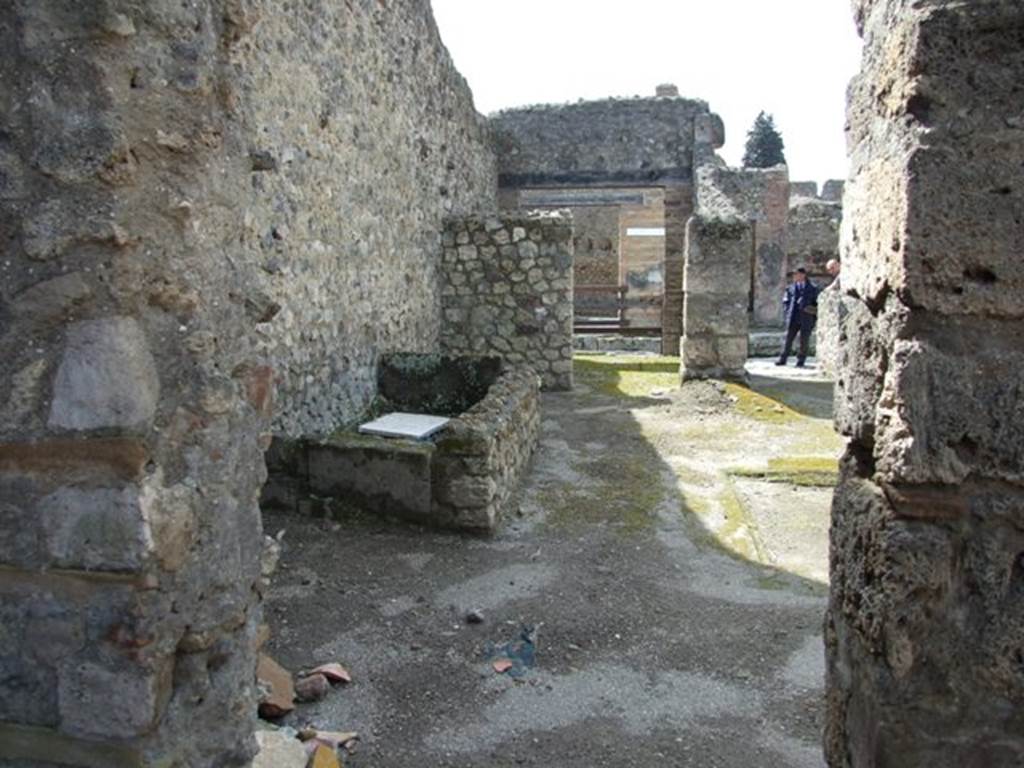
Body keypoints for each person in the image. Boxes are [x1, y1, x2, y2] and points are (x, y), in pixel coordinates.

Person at [776, 267, 819, 368]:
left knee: (804, 340)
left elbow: (817, 303)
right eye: (794, 275)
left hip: (806, 318)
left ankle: (801, 360)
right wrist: (787, 311)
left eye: (796, 275)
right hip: (793, 317)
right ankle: (783, 358)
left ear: (803, 275)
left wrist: (811, 310)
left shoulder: (813, 288)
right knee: (788, 338)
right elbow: (786, 301)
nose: (794, 277)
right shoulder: (790, 288)